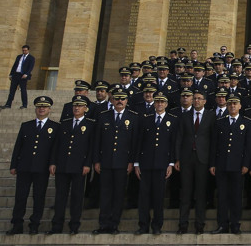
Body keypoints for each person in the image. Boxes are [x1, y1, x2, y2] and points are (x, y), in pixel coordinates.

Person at [6, 95, 58, 235]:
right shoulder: (26, 125)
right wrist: (13, 165)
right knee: (20, 197)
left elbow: (54, 149)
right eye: (39, 107)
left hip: (42, 168)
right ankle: (17, 224)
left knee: (39, 197)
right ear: (36, 108)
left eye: (45, 107)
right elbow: (18, 147)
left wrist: (53, 163)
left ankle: (34, 224)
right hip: (24, 167)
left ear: (49, 109)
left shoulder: (55, 127)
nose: (42, 109)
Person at [92, 88, 140, 235]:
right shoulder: (103, 116)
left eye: (123, 99)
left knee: (119, 194)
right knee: (105, 194)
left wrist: (132, 162)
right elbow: (97, 141)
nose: (120, 101)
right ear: (112, 100)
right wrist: (96, 161)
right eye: (117, 98)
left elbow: (134, 143)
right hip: (105, 162)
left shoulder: (133, 117)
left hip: (123, 163)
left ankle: (114, 224)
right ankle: (103, 224)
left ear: (127, 101)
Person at [48, 95, 94, 235]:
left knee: (77, 197)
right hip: (62, 165)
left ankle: (74, 226)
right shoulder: (65, 123)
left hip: (79, 167)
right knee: (60, 197)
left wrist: (87, 164)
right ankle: (57, 226)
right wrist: (53, 162)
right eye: (75, 105)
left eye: (80, 106)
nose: (77, 108)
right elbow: (56, 145)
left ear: (85, 108)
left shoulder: (90, 124)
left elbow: (91, 147)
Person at [134, 92, 178, 235]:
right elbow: (139, 142)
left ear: (166, 104)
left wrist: (171, 163)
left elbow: (173, 144)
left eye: (162, 102)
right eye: (157, 102)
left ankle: (157, 225)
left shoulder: (172, 120)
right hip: (145, 163)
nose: (159, 104)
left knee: (158, 197)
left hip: (162, 164)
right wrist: (136, 163)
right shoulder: (146, 119)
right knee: (143, 196)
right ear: (154, 104)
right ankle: (143, 225)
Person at [210, 93, 251, 235]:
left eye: (235, 103)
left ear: (240, 106)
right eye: (230, 103)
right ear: (227, 105)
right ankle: (222, 224)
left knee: (236, 197)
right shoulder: (220, 122)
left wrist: (246, 164)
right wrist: (212, 164)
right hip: (222, 165)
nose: (232, 106)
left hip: (238, 166)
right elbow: (214, 146)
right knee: (222, 197)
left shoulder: (246, 122)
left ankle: (235, 224)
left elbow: (248, 147)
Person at [175, 89, 215, 234]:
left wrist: (212, 162)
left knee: (201, 193)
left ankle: (199, 224)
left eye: (199, 98)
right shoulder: (184, 116)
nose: (196, 101)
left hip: (202, 159)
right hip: (186, 158)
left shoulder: (211, 116)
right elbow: (179, 137)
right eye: (195, 98)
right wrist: (177, 158)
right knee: (185, 193)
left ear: (204, 101)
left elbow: (213, 140)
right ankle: (182, 225)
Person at [1, 45, 35, 110]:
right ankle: (8, 104)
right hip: (16, 75)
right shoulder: (19, 57)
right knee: (12, 90)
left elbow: (31, 67)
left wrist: (26, 74)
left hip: (23, 76)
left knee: (23, 90)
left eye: (25, 50)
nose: (24, 51)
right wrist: (11, 74)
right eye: (23, 50)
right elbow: (14, 66)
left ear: (28, 50)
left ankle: (24, 105)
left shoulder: (31, 58)